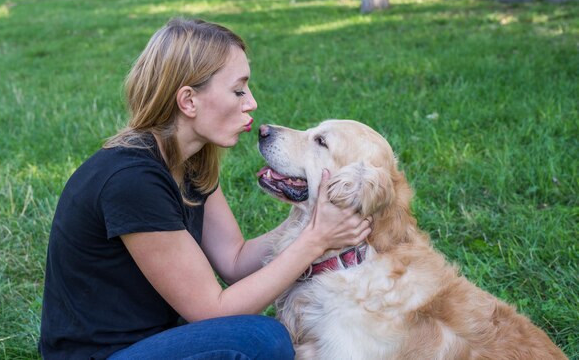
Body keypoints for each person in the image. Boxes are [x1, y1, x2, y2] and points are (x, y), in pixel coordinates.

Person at [39, 18, 372, 360]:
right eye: (238, 90)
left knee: (259, 335)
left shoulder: (190, 162)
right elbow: (213, 311)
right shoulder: (131, 181)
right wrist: (315, 240)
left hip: (157, 337)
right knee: (262, 339)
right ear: (188, 101)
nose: (251, 102)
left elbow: (235, 260)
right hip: (104, 355)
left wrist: (307, 219)